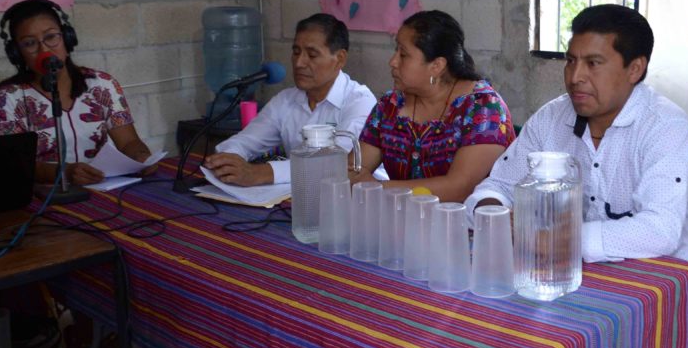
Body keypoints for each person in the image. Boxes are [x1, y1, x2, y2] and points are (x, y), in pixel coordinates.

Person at [466, 4, 688, 264]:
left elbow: (660, 230)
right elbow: (498, 185)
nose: (575, 76)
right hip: (560, 270)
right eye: (571, 61)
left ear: (634, 69)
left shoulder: (665, 127)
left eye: (593, 63)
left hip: (652, 280)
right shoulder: (552, 117)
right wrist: (495, 215)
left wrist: (559, 240)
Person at [351, 10, 514, 203]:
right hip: (400, 221)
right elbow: (355, 170)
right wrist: (360, 181)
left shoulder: (483, 109)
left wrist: (376, 188)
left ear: (437, 66)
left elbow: (459, 189)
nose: (392, 62)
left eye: (403, 54)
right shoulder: (390, 106)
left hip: (464, 226)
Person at [0, 0, 155, 186]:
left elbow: (128, 143)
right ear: (17, 54)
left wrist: (140, 156)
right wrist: (64, 173)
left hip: (101, 187)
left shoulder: (102, 85)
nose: (44, 49)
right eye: (29, 43)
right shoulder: (8, 97)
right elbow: (15, 164)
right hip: (43, 197)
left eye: (51, 37)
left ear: (67, 39)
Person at [204, 13, 376, 186]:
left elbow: (337, 165)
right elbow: (244, 142)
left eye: (312, 55)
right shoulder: (286, 100)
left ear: (340, 59)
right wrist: (228, 162)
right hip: (298, 198)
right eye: (296, 52)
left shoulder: (360, 101)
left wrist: (261, 173)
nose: (299, 63)